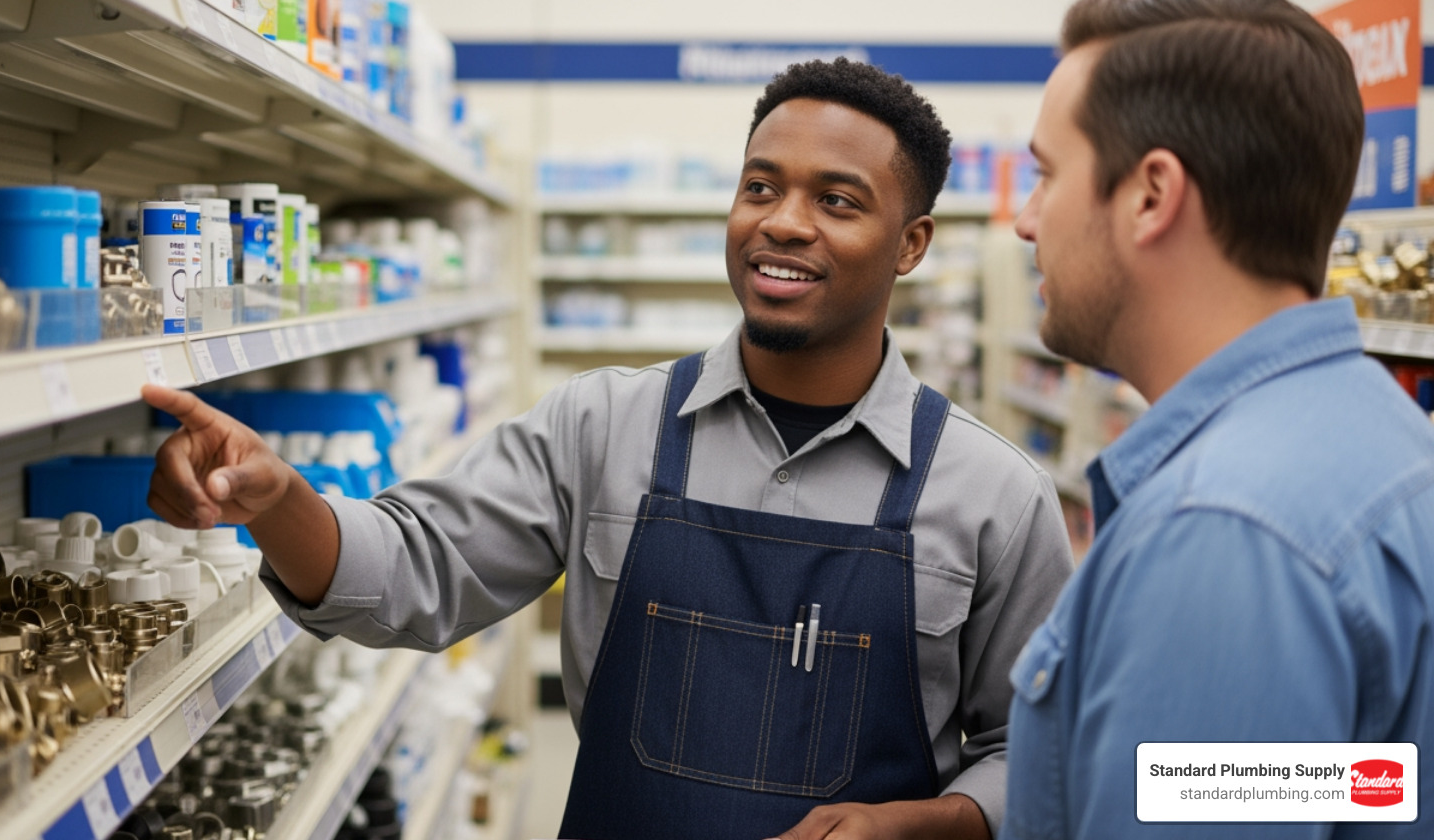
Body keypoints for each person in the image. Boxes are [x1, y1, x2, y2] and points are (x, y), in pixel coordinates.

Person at [143, 58, 1074, 840]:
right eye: (761, 186)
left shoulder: (993, 493)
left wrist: (933, 824)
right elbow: (412, 570)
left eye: (837, 200)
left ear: (911, 245)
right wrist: (275, 501)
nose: (782, 221)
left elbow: (1037, 750)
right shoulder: (601, 428)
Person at [1002, 0, 1434, 838]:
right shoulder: (1377, 435)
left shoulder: (1223, 532)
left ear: (1152, 195)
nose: (1023, 220)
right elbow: (1343, 789)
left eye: (1049, 175)